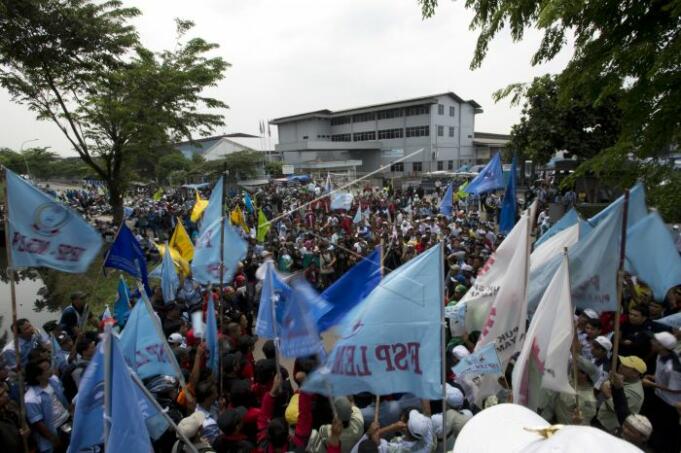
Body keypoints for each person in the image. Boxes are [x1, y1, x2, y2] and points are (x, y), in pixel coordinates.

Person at [642, 331, 681, 452]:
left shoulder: (673, 366)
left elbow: (675, 388)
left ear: (662, 346)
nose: (652, 342)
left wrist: (652, 384)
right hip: (659, 396)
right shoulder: (660, 355)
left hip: (670, 403)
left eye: (656, 342)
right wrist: (655, 377)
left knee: (666, 430)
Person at [24, 359, 70, 453]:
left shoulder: (53, 381)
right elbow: (38, 423)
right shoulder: (31, 398)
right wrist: (53, 438)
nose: (50, 370)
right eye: (47, 369)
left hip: (67, 419)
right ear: (38, 376)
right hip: (56, 430)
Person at [597, 356, 646, 433]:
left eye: (625, 366)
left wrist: (606, 391)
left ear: (635, 373)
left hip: (609, 427)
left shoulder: (635, 393)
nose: (620, 366)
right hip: (602, 417)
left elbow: (617, 407)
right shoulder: (622, 378)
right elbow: (605, 385)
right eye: (622, 363)